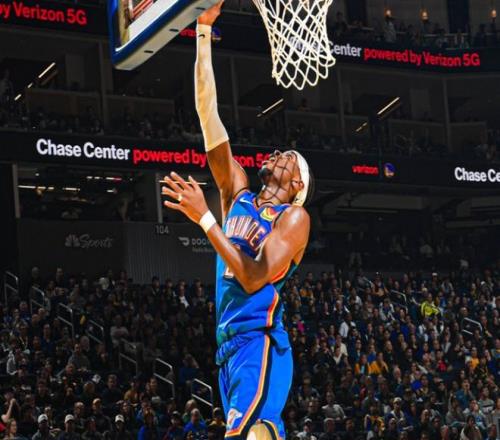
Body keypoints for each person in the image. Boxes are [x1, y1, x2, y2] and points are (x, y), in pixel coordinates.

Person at [161, 1, 312, 439]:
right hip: (228, 349)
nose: (277, 154)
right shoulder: (237, 194)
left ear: (297, 183)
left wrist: (206, 219)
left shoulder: (294, 217)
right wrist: (203, 35)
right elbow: (209, 116)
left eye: (288, 157)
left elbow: (252, 277)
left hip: (258, 340)